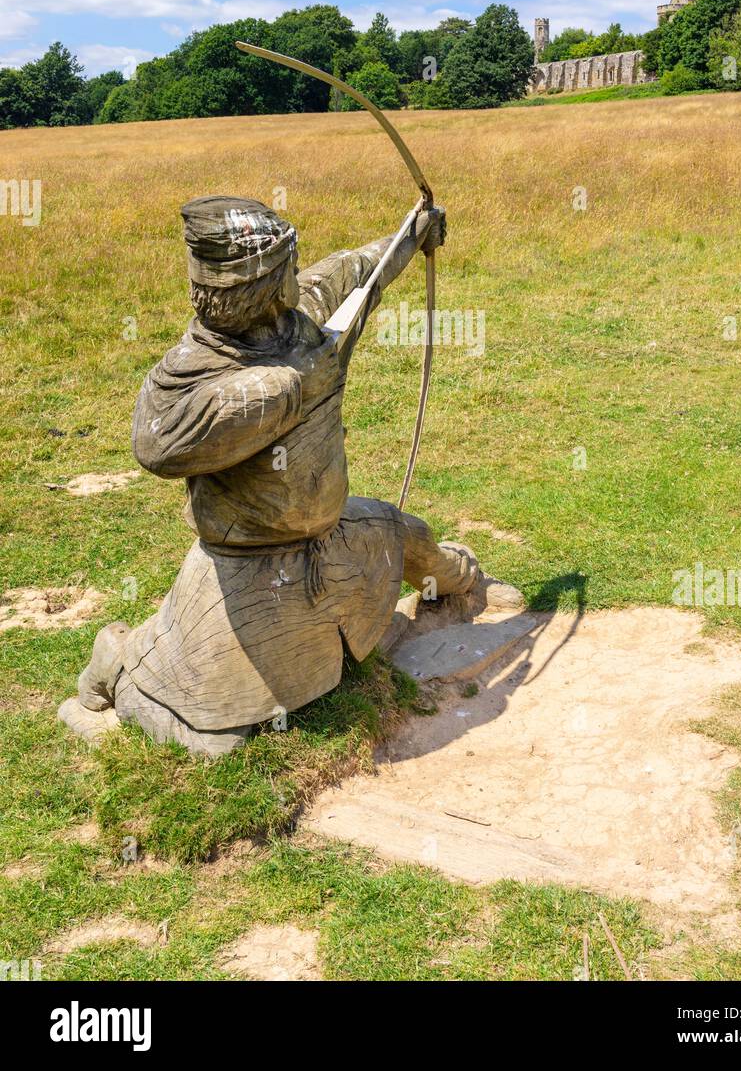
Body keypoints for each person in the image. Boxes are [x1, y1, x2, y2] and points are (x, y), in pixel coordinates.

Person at [65, 196, 481, 755]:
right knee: (216, 739)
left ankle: (465, 582)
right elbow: (156, 442)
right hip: (245, 571)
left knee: (415, 542)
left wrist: (413, 232)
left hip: (332, 538)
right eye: (289, 263)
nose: (298, 270)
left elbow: (362, 271)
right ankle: (118, 659)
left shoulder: (302, 320)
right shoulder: (192, 374)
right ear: (262, 285)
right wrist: (289, 386)